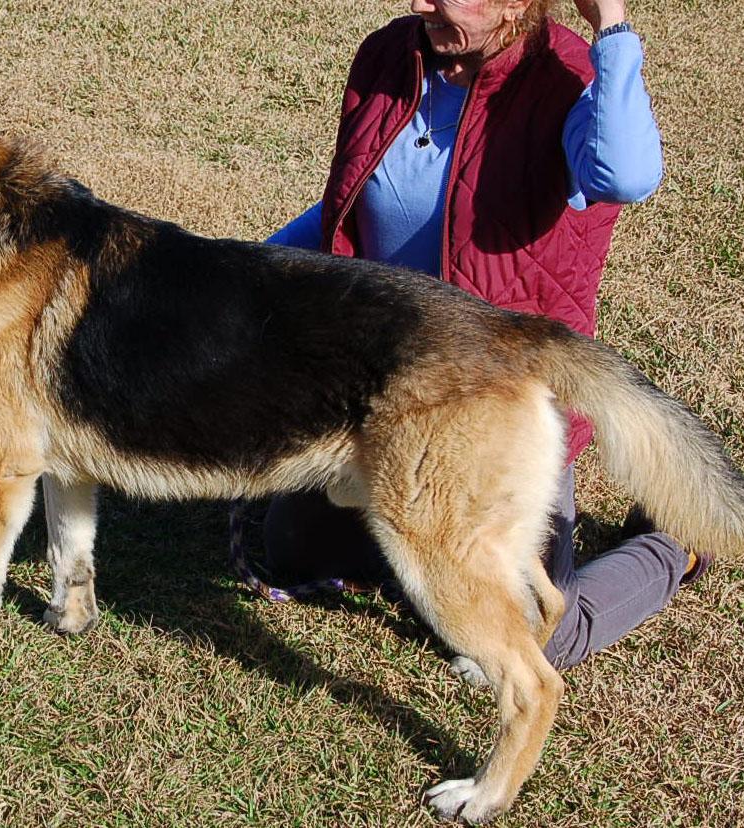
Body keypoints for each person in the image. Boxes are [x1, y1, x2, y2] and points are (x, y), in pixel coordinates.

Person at [240, 0, 709, 675]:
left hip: (496, 403)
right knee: (294, 552)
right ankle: (423, 539)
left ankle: (674, 544)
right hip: (383, 384)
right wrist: (255, 271)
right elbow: (351, 202)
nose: (419, 4)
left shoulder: (569, 77)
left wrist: (611, 23)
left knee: (523, 628)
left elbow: (626, 175)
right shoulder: (388, 56)